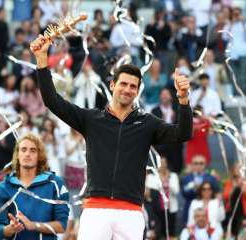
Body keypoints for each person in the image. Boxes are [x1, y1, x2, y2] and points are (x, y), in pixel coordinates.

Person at [30, 33, 192, 239]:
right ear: (112, 85)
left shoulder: (147, 124)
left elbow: (183, 133)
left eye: (133, 86)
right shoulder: (91, 119)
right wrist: (42, 61)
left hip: (131, 212)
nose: (127, 89)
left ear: (137, 92)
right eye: (123, 84)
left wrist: (184, 99)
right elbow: (52, 101)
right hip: (95, 210)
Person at [0, 134, 69, 239]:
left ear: (39, 155)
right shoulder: (3, 188)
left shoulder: (55, 183)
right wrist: (10, 229)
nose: (27, 154)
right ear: (17, 154)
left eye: (33, 150)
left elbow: (62, 226)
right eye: (23, 150)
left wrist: (33, 225)